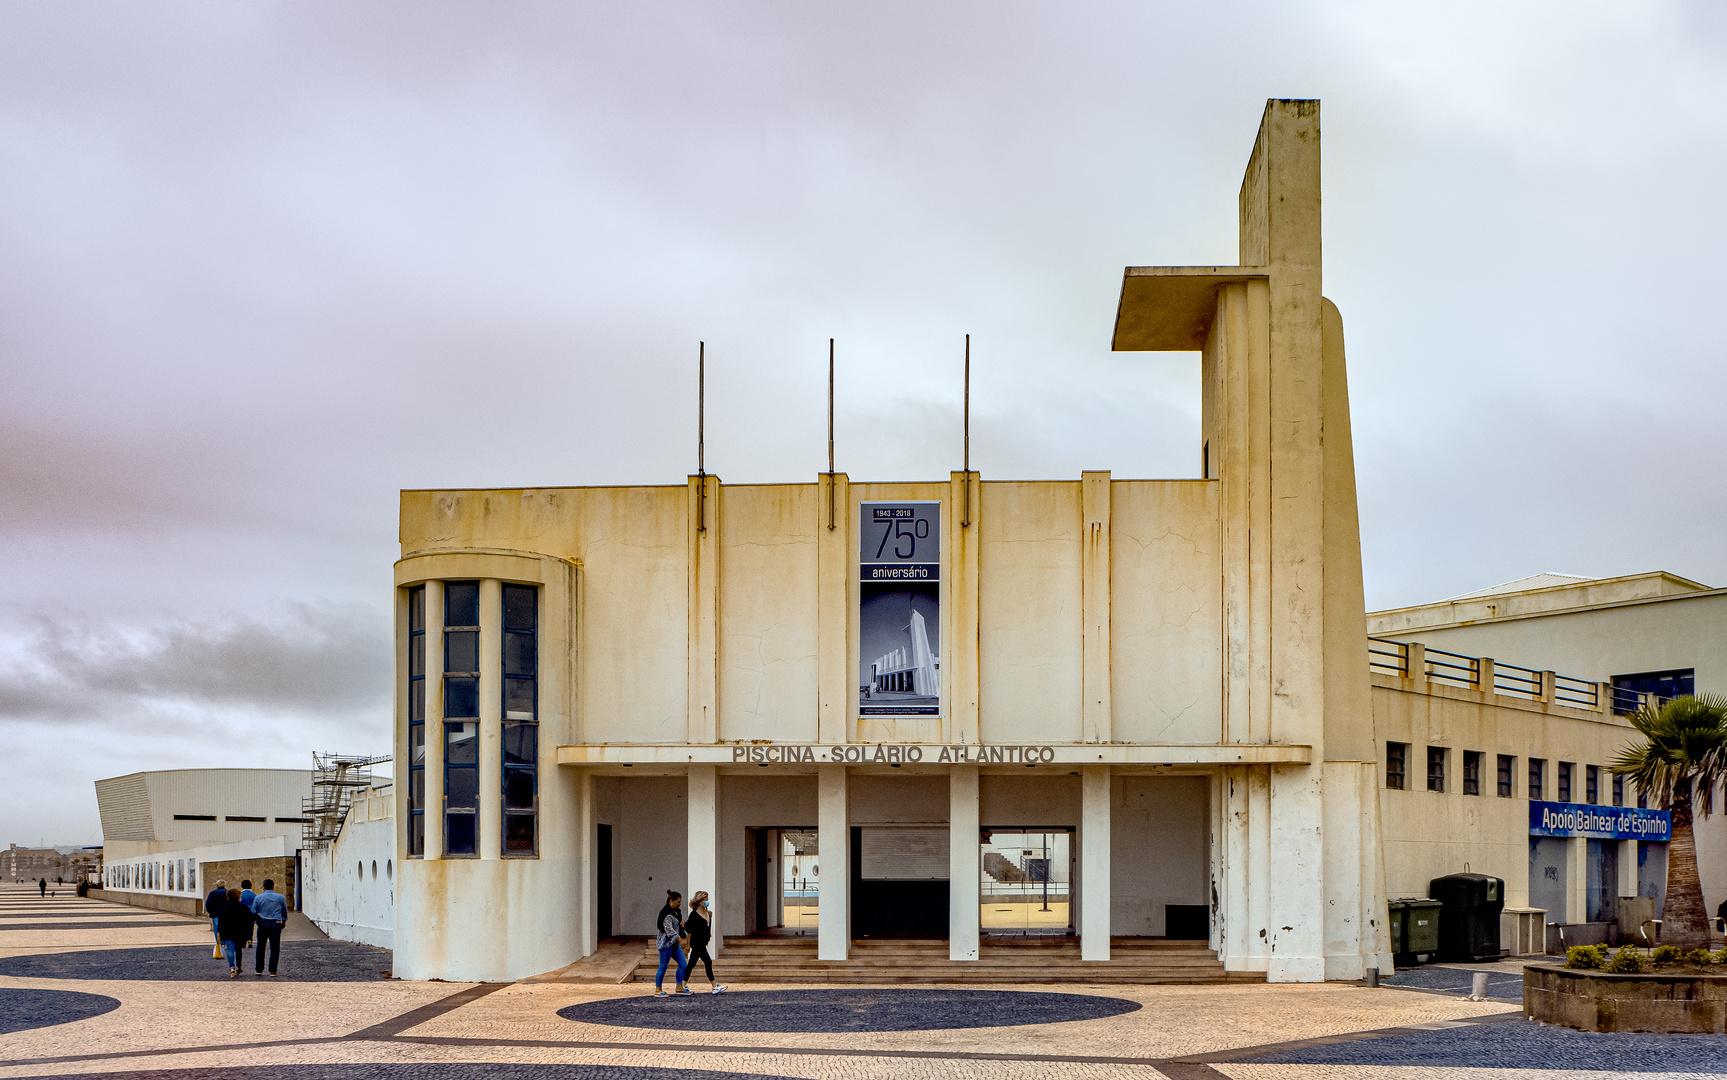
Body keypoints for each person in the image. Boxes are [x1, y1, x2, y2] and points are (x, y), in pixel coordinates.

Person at [684, 892, 727, 995]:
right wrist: (689, 942)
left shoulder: (708, 913)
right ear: (700, 901)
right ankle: (714, 985)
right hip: (697, 942)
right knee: (707, 962)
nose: (707, 901)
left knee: (692, 964)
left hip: (702, 942)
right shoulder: (694, 915)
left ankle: (683, 984)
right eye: (705, 899)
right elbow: (688, 927)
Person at [653, 890, 691, 997]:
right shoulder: (666, 913)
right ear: (671, 901)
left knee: (683, 964)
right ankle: (658, 989)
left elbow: (678, 927)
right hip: (665, 944)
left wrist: (683, 935)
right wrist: (681, 940)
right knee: (663, 966)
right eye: (678, 901)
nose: (680, 904)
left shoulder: (677, 912)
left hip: (673, 944)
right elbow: (669, 930)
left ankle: (679, 986)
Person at [252, 878, 288, 977]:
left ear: (263, 887)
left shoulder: (258, 898)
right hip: (275, 924)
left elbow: (254, 912)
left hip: (263, 923)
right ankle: (273, 970)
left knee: (260, 947)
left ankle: (259, 969)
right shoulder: (280, 897)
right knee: (275, 948)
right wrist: (283, 921)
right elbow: (284, 911)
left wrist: (256, 922)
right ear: (273, 886)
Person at [215, 888, 255, 979]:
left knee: (230, 949)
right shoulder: (243, 907)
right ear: (238, 897)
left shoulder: (225, 908)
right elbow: (250, 918)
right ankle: (239, 966)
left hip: (228, 931)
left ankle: (231, 967)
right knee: (238, 950)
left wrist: (220, 931)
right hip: (240, 932)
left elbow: (221, 921)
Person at [204, 880, 228, 951]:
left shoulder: (213, 893)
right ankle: (225, 942)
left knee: (217, 929)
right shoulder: (228, 892)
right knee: (225, 928)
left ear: (217, 885)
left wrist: (210, 911)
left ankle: (218, 942)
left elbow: (208, 903)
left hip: (216, 914)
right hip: (226, 914)